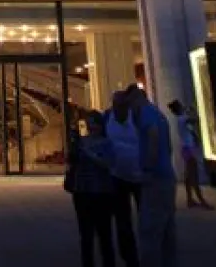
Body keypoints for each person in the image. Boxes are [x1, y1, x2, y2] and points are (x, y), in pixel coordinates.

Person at [127, 84, 177, 267]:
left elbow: (153, 137)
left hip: (154, 179)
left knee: (150, 229)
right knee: (167, 229)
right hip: (166, 177)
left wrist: (147, 167)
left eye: (130, 103)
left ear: (136, 99)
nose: (130, 109)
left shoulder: (146, 114)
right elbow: (169, 146)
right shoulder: (158, 114)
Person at [66, 112, 119, 267]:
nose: (91, 127)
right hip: (82, 191)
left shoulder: (106, 143)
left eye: (94, 123)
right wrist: (74, 144)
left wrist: (91, 155)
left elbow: (109, 163)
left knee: (104, 234)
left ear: (101, 125)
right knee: (86, 235)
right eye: (88, 124)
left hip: (102, 192)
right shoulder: (81, 142)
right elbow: (72, 162)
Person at [103, 91, 141, 267]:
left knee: (146, 216)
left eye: (122, 105)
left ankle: (147, 250)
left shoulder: (138, 118)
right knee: (122, 220)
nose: (119, 108)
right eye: (116, 105)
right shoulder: (107, 118)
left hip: (140, 176)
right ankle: (129, 257)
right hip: (116, 176)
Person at [167, 99, 213, 210]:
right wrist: (193, 109)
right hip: (189, 149)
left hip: (186, 148)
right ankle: (201, 200)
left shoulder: (180, 119)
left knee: (189, 174)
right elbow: (196, 119)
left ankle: (190, 199)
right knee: (193, 175)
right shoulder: (183, 119)